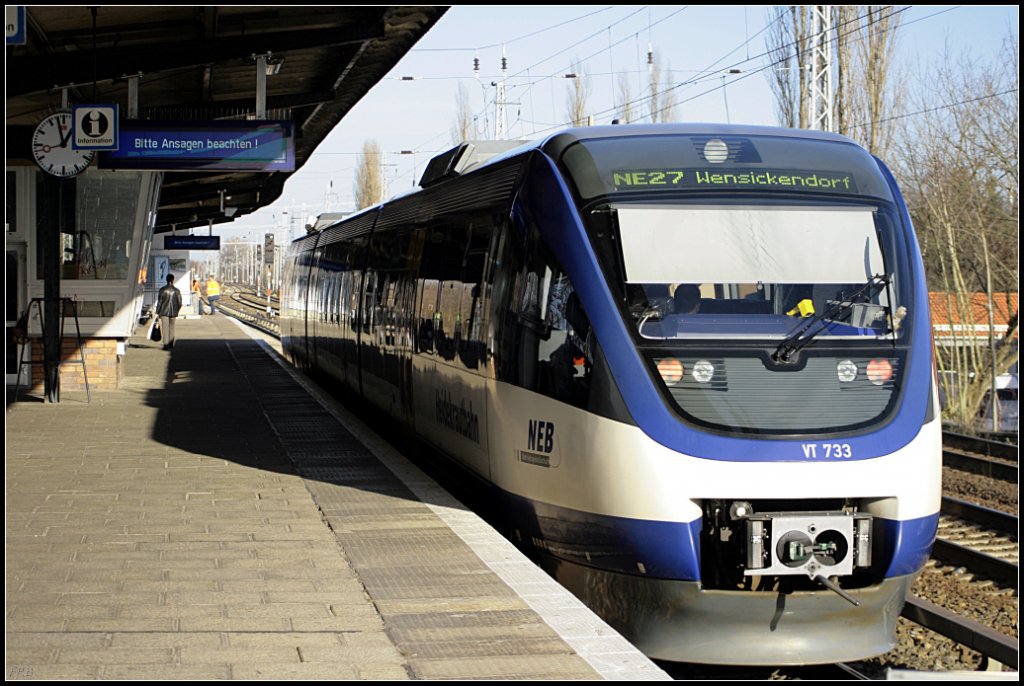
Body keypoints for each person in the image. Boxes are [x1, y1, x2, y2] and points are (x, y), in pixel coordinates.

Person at [155, 274, 183, 350]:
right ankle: (171, 344)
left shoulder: (162, 290)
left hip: (164, 312)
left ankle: (166, 344)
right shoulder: (177, 291)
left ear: (166, 280)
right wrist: (176, 310)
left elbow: (159, 302)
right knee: (172, 328)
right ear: (173, 280)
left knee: (165, 328)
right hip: (173, 312)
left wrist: (157, 312)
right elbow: (180, 303)